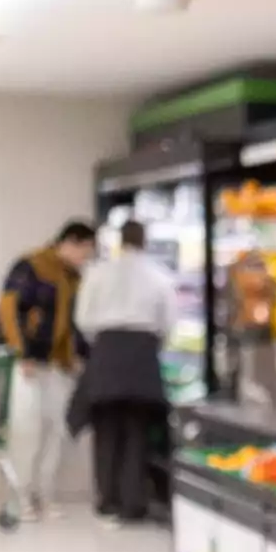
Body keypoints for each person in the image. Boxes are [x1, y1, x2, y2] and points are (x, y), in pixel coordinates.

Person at [71, 220, 177, 525]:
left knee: (106, 431)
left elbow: (83, 318)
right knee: (137, 431)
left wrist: (102, 344)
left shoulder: (98, 273)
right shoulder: (159, 276)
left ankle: (108, 501)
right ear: (144, 241)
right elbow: (169, 321)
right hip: (143, 354)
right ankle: (134, 504)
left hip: (106, 351)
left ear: (120, 240)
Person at [0, 220, 96, 522]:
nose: (86, 259)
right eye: (85, 251)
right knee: (26, 430)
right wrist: (21, 352)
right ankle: (20, 495)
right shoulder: (31, 266)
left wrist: (80, 355)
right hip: (27, 363)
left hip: (58, 364)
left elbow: (74, 323)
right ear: (71, 242)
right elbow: (9, 309)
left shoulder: (74, 278)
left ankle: (45, 493)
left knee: (55, 430)